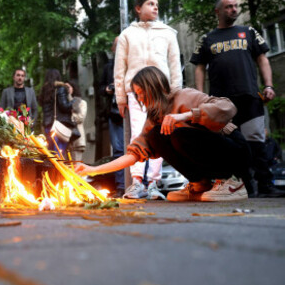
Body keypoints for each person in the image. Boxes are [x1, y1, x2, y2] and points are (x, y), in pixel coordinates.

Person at [76, 66, 250, 202]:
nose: (140, 99)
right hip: (212, 154)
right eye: (137, 95)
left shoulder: (185, 95)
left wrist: (187, 115)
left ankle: (232, 182)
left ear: (152, 88)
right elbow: (133, 154)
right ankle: (200, 184)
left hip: (234, 151)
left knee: (179, 134)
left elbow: (228, 107)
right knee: (156, 135)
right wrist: (93, 170)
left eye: (140, 93)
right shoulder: (154, 117)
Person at [190, 0, 284, 198]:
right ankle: (242, 187)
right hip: (222, 104)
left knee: (256, 141)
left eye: (235, 6)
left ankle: (265, 186)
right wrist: (200, 96)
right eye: (228, 7)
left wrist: (268, 85)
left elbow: (262, 59)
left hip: (250, 97)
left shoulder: (249, 32)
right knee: (229, 144)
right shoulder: (207, 39)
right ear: (218, 11)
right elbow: (199, 67)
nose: (233, 9)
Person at [114, 0, 182, 200]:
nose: (155, 8)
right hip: (136, 93)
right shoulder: (127, 34)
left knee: (159, 133)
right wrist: (120, 97)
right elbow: (120, 67)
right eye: (150, 4)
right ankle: (136, 183)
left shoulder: (168, 33)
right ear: (138, 8)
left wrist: (176, 94)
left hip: (162, 92)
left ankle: (153, 184)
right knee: (137, 134)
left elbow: (175, 65)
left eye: (157, 5)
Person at [100, 37, 125, 197]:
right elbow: (100, 88)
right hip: (115, 113)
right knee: (118, 151)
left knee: (138, 148)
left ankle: (141, 185)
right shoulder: (108, 67)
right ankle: (121, 186)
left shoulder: (133, 64)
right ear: (113, 48)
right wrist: (108, 90)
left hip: (132, 112)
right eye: (118, 44)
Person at [39, 69, 77, 160]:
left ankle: (51, 173)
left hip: (48, 125)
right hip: (59, 126)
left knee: (51, 154)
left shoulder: (44, 90)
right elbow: (64, 106)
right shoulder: (60, 88)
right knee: (59, 153)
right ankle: (58, 174)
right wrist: (73, 101)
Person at [67, 79, 87, 163]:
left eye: (68, 87)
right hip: (66, 139)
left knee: (76, 168)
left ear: (73, 88)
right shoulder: (62, 103)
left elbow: (80, 118)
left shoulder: (82, 103)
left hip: (77, 139)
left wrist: (69, 115)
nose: (66, 89)